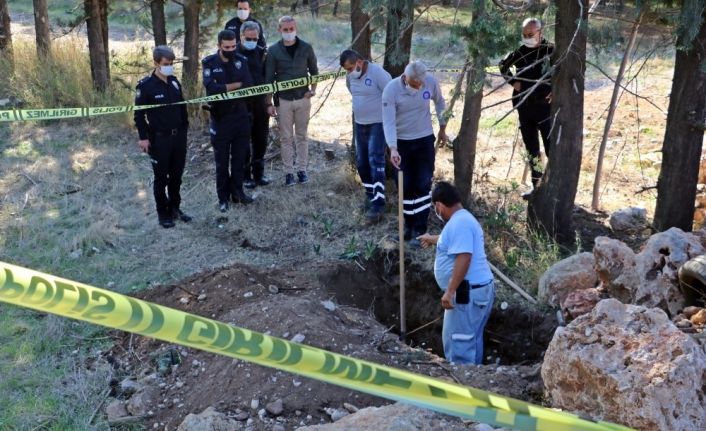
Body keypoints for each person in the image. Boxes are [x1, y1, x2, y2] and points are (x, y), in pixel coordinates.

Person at [418, 181, 495, 365]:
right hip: (475, 292)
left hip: (466, 294)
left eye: (436, 208)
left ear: (439, 205)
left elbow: (464, 257)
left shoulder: (460, 223)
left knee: (459, 343)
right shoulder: (462, 220)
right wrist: (432, 239)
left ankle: (463, 387)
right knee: (470, 340)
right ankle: (474, 378)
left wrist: (450, 291)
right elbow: (451, 240)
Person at [382, 61, 447, 245]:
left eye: (420, 84)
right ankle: (407, 226)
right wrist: (393, 148)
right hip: (401, 142)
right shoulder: (391, 90)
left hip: (424, 139)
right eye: (414, 84)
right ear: (405, 77)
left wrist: (443, 127)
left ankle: (420, 228)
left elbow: (440, 102)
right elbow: (388, 121)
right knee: (406, 185)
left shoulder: (430, 82)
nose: (418, 87)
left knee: (423, 183)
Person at [134, 45, 191, 229]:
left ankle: (175, 208)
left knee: (177, 176)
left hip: (178, 138)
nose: (169, 66)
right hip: (159, 139)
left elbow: (182, 107)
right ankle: (163, 213)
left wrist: (184, 129)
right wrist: (143, 138)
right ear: (156, 63)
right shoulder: (145, 86)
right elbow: (139, 115)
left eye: (172, 63)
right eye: (166, 63)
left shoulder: (174, 82)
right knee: (161, 178)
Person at [499, 17, 554, 199]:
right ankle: (536, 185)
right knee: (532, 149)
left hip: (545, 108)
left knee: (551, 147)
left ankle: (552, 185)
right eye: (524, 34)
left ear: (540, 32)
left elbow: (562, 71)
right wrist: (514, 82)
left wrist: (556, 90)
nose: (527, 37)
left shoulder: (551, 50)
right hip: (525, 107)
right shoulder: (520, 51)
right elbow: (503, 65)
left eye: (530, 34)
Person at [202, 29, 255, 213]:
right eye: (227, 47)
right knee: (222, 163)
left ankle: (238, 193)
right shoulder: (209, 63)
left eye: (233, 46)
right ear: (219, 46)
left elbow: (248, 84)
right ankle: (223, 198)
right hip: (221, 118)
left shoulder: (241, 61)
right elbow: (211, 88)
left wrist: (226, 88)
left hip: (240, 117)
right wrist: (234, 86)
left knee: (240, 159)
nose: (231, 49)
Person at [265, 16, 319, 186]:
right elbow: (269, 79)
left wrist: (313, 90)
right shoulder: (273, 51)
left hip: (303, 98)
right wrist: (269, 103)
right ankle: (288, 173)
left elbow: (314, 71)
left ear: (296, 28)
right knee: (286, 138)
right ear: (280, 30)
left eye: (291, 29)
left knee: (302, 136)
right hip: (284, 100)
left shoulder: (306, 47)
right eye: (285, 29)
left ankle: (302, 170)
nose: (289, 32)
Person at [340, 49, 391, 223]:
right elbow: (354, 93)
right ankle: (370, 196)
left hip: (378, 123)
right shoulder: (350, 78)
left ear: (360, 63)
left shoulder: (377, 73)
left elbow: (391, 92)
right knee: (361, 162)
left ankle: (379, 203)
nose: (349, 72)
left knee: (375, 160)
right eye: (346, 70)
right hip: (360, 124)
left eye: (350, 68)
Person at [238, 21, 271, 188]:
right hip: (241, 105)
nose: (252, 41)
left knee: (261, 139)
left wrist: (269, 102)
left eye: (255, 38)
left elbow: (269, 78)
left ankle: (259, 174)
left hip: (260, 104)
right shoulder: (233, 53)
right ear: (241, 36)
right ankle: (245, 176)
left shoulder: (262, 53)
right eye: (248, 38)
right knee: (244, 140)